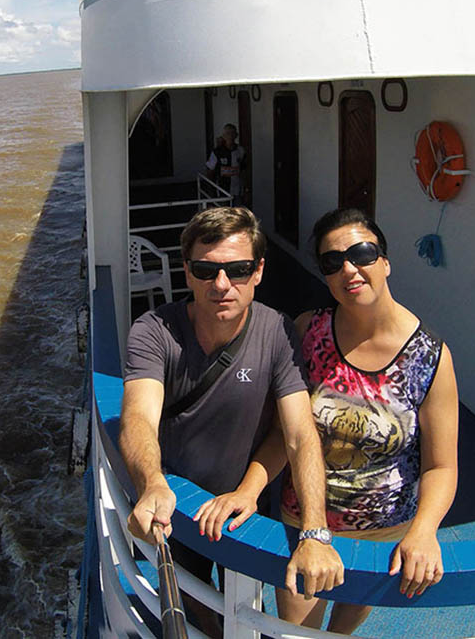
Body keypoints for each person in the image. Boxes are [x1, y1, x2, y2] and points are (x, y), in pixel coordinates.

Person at [195, 207, 459, 634]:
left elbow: (441, 466)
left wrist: (425, 531)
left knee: (339, 630)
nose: (349, 269)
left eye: (362, 253)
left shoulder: (430, 357)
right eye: (332, 262)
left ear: (386, 261)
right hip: (303, 521)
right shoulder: (308, 332)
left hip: (386, 534)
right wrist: (249, 488)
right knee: (300, 634)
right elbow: (287, 434)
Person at [120, 206, 344, 637]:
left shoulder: (277, 331)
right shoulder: (153, 331)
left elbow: (297, 433)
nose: (221, 285)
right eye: (206, 271)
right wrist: (151, 482)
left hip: (242, 508)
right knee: (194, 601)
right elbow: (138, 417)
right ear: (187, 272)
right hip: (176, 503)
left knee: (246, 599)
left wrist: (314, 529)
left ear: (258, 271)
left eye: (238, 270)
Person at [205, 124, 245, 204]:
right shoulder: (217, 152)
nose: (230, 136)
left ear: (236, 135)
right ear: (223, 136)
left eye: (232, 133)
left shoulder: (240, 150)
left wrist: (247, 189)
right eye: (227, 133)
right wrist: (211, 193)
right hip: (222, 191)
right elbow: (210, 172)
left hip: (237, 191)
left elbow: (244, 169)